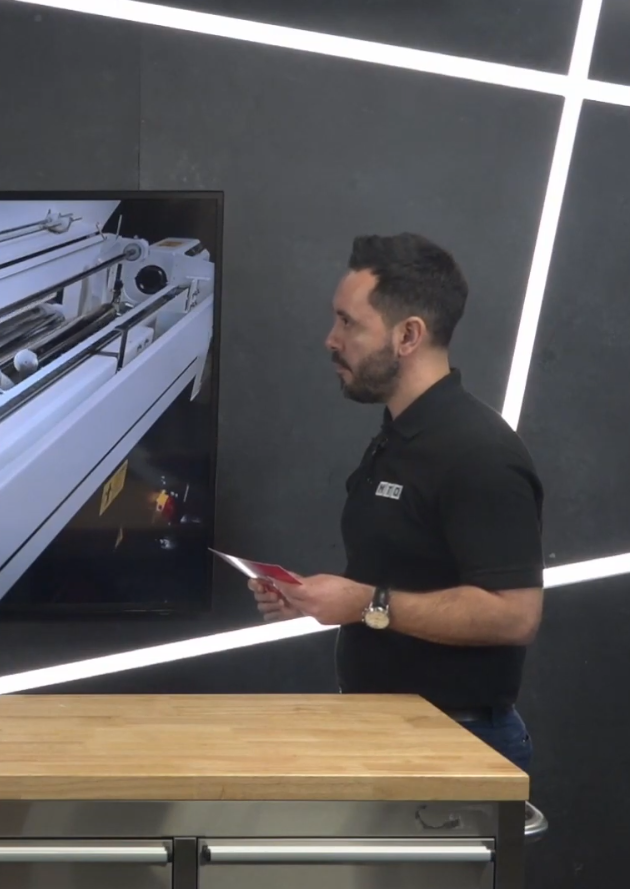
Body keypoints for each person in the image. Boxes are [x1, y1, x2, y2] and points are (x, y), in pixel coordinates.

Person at [250, 233, 544, 770]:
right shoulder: (399, 436)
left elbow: (513, 616)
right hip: (389, 736)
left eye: (348, 322)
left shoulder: (479, 453)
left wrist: (366, 603)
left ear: (408, 335)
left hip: (454, 746)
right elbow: (401, 573)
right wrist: (316, 599)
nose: (331, 339)